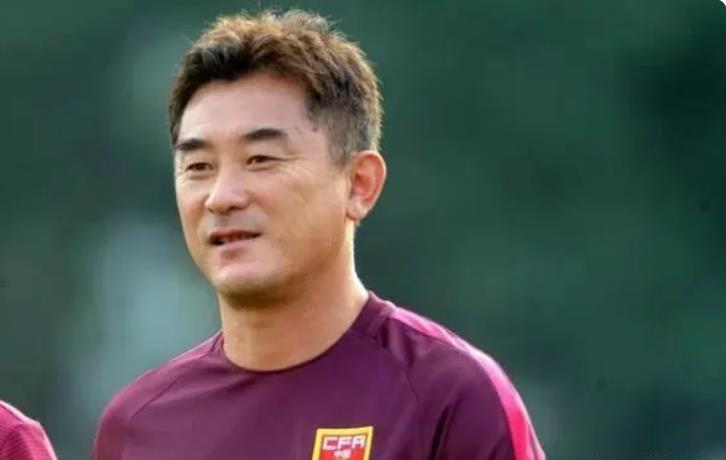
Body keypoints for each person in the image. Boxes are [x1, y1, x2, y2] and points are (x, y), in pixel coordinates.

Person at [92, 9, 545, 460]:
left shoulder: (449, 397)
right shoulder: (136, 426)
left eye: (261, 159)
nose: (221, 197)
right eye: (198, 167)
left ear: (359, 184)